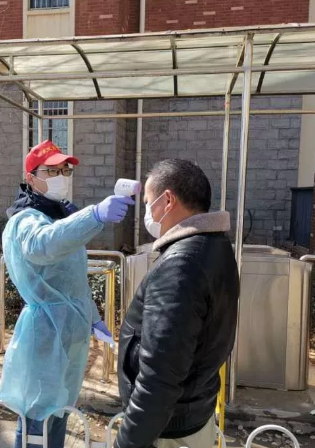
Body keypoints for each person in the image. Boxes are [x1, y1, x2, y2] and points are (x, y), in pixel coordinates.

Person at [1, 139, 135, 448]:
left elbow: (73, 281)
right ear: (31, 178)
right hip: (45, 335)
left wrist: (92, 316)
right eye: (52, 171)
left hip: (67, 332)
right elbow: (44, 245)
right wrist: (94, 215)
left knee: (59, 412)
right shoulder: (26, 220)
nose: (61, 177)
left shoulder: (58, 215)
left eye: (65, 171)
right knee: (37, 419)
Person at [115, 159, 240, 448]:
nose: (147, 212)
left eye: (148, 203)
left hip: (167, 431)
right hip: (192, 414)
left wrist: (128, 442)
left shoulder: (180, 265)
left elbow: (159, 376)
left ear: (168, 200)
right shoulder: (215, 246)